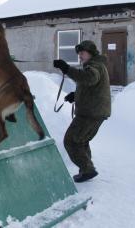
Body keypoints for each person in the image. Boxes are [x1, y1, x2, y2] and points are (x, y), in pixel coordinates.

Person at [53, 40, 111, 182]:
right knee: (81, 141)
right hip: (95, 112)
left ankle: (87, 170)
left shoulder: (95, 66)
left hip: (90, 113)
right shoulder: (95, 65)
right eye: (78, 53)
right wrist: (75, 95)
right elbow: (90, 85)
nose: (80, 55)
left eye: (82, 52)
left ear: (91, 53)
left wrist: (66, 68)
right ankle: (86, 169)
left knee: (71, 141)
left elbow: (89, 78)